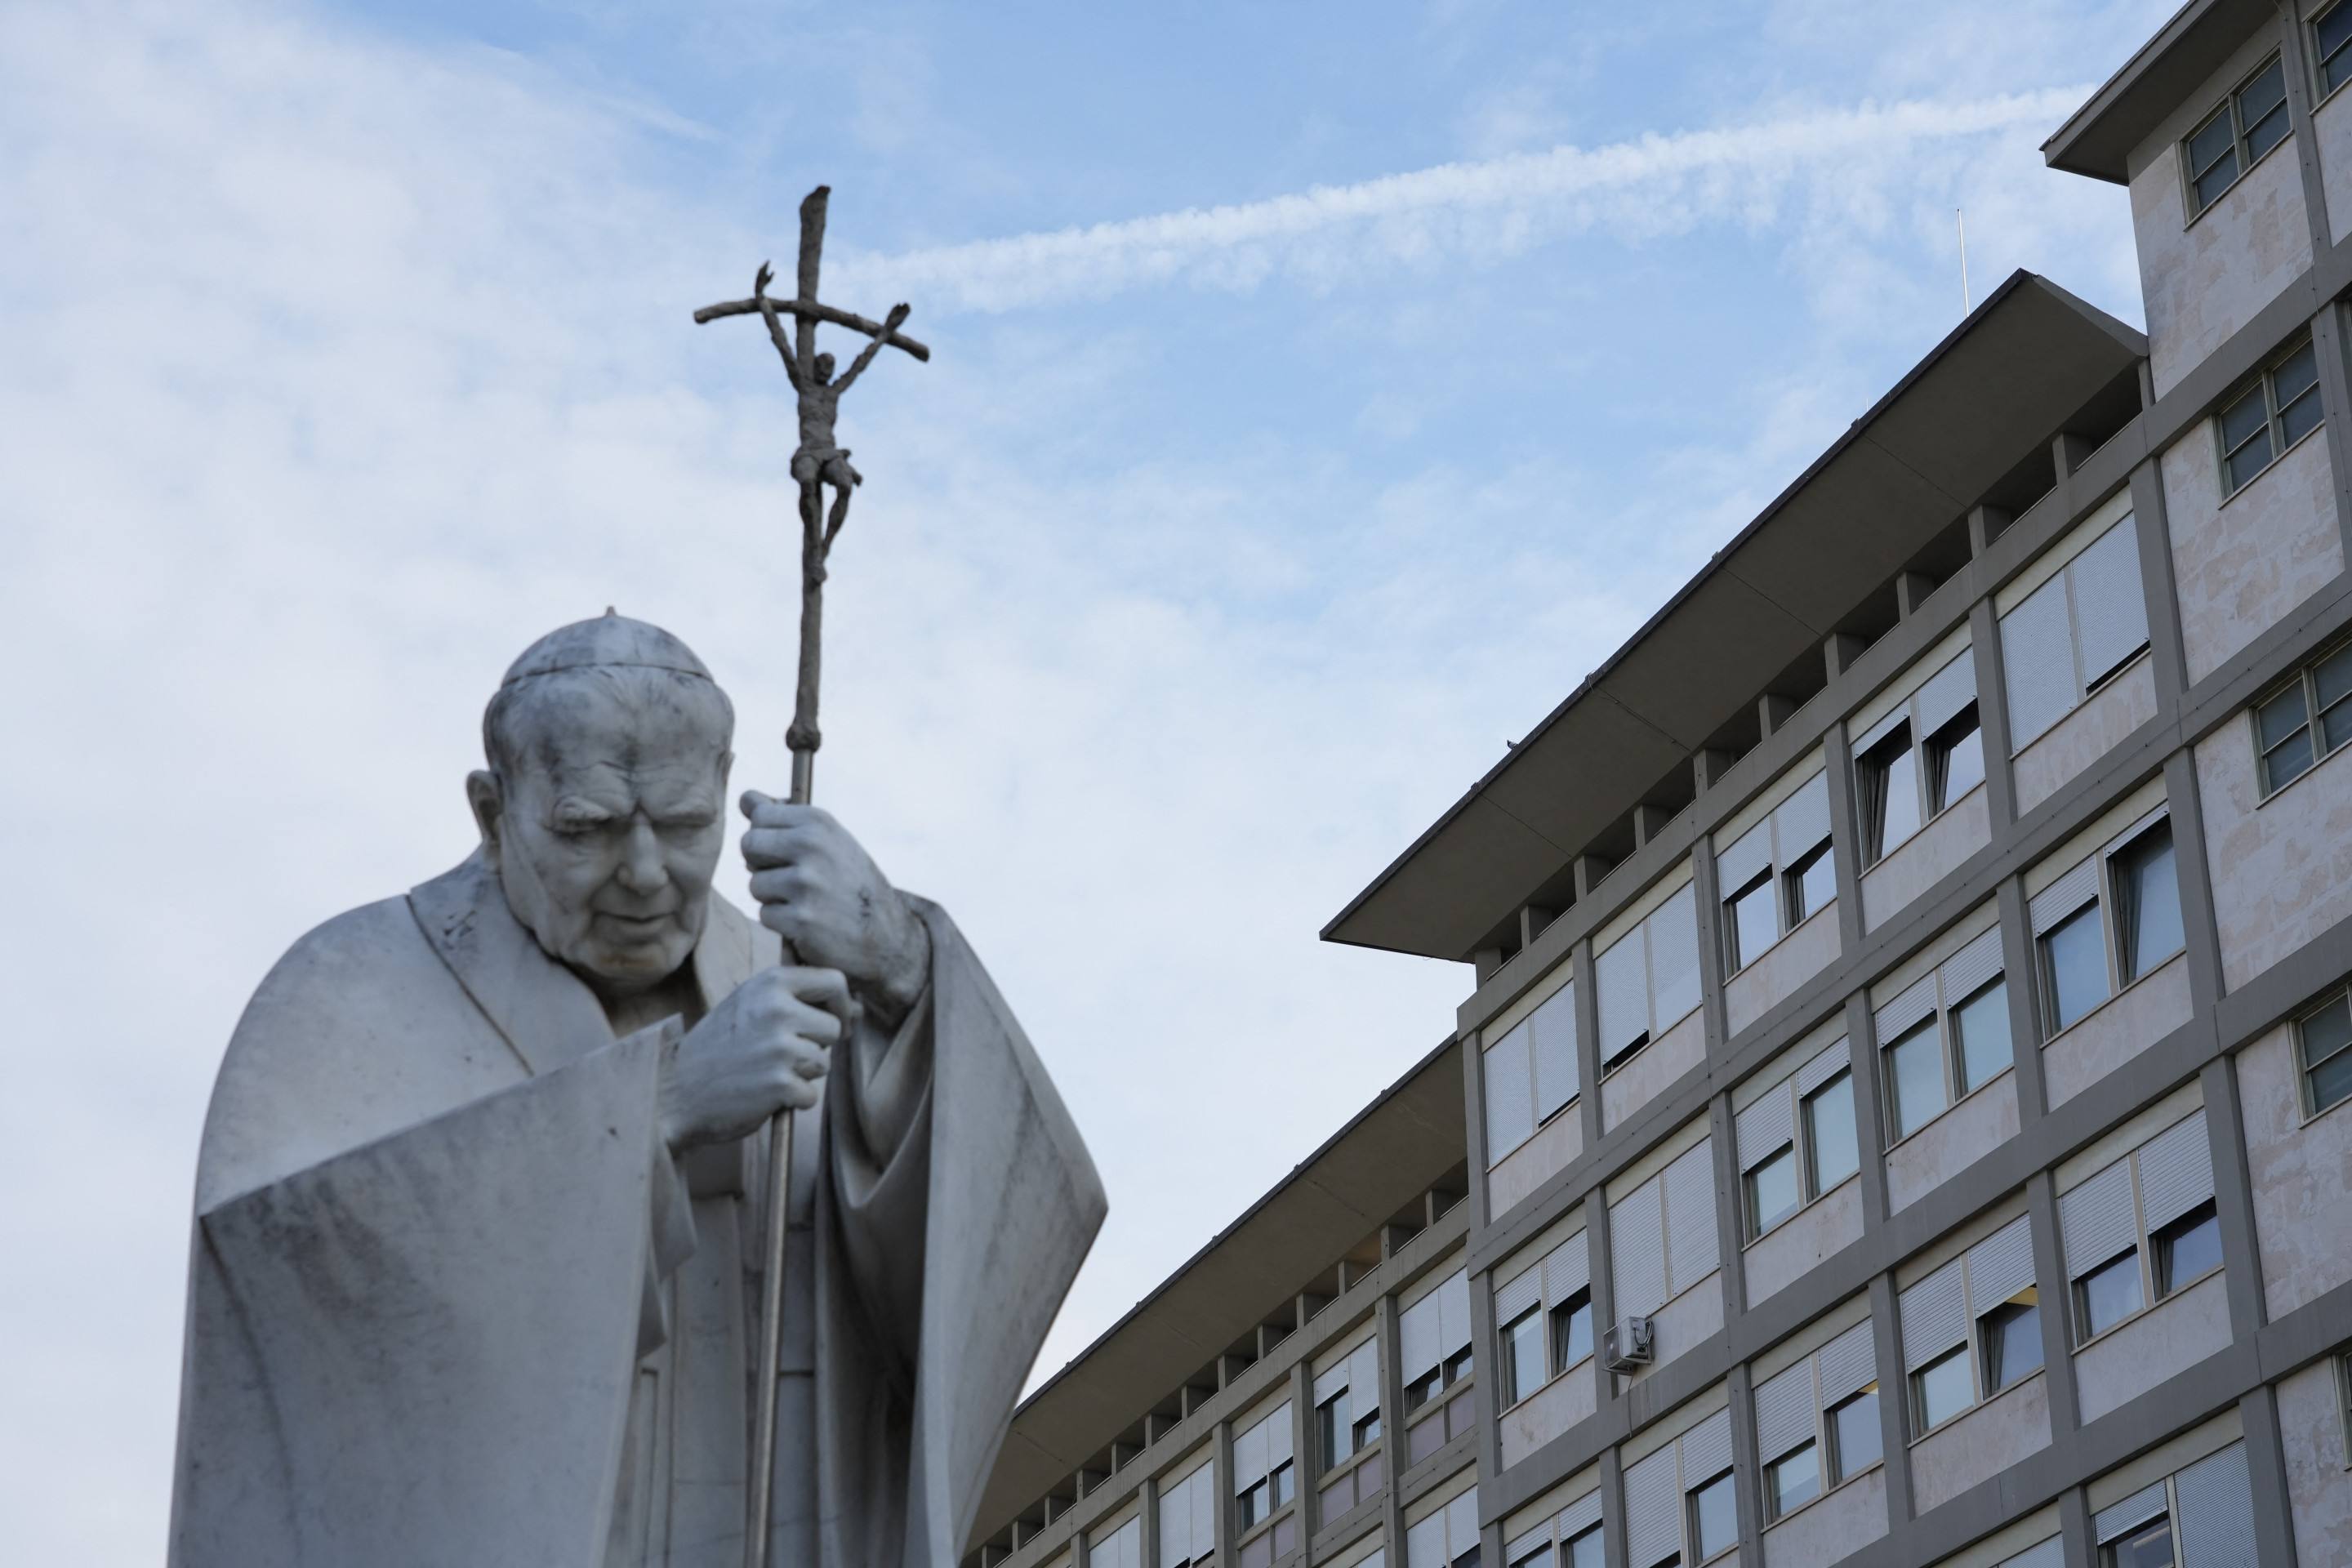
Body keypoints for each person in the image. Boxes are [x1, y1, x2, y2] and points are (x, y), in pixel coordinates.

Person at [168, 612, 1104, 1568]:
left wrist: (910, 976)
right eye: (589, 829)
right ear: (494, 814)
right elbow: (288, 1306)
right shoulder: (349, 992)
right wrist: (656, 1114)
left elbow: (995, 1257)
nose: (647, 874)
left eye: (686, 824)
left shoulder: (800, 979)